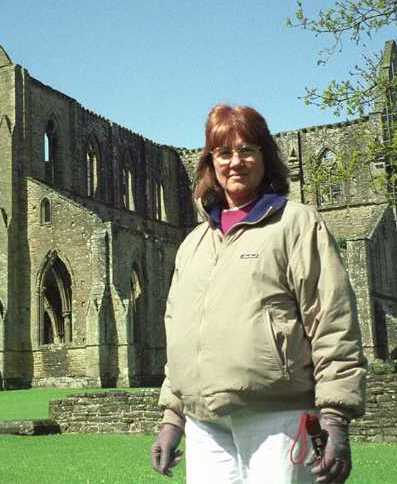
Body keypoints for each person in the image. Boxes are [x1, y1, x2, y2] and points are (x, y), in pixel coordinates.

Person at [151, 105, 366, 483]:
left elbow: (332, 320)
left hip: (278, 418)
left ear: (266, 157)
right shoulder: (193, 244)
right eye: (224, 152)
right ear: (210, 163)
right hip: (205, 425)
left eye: (247, 149)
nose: (236, 162)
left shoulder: (296, 224)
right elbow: (180, 333)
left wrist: (334, 418)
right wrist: (172, 418)